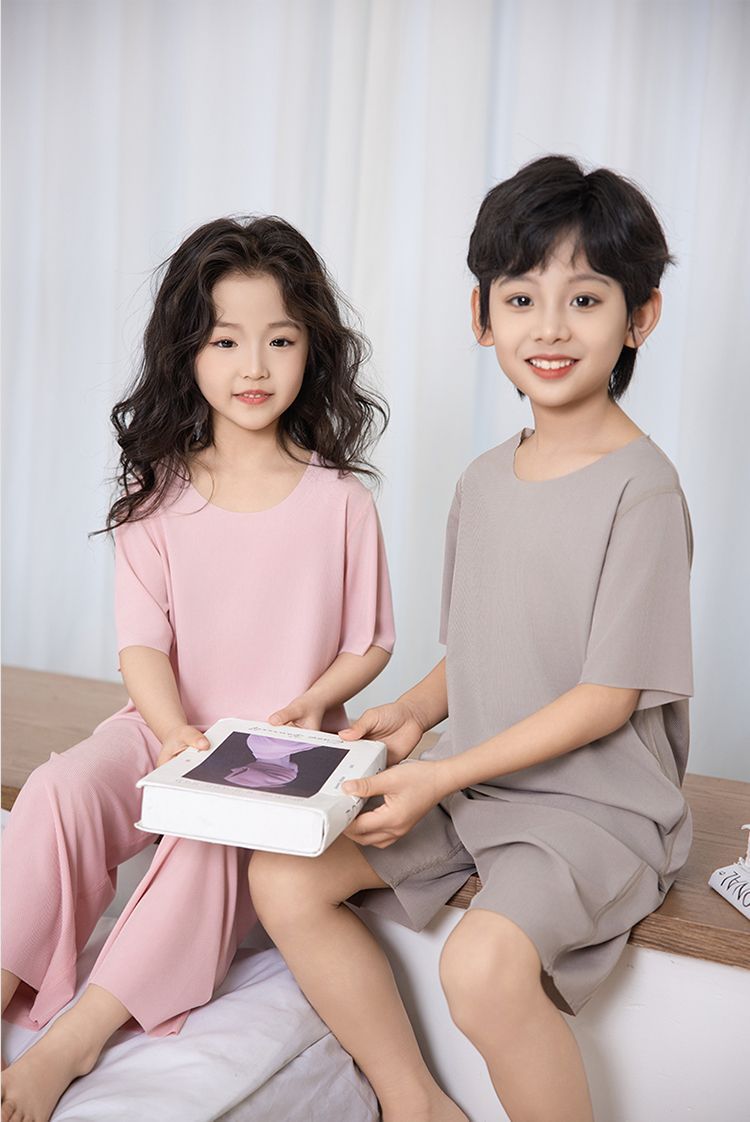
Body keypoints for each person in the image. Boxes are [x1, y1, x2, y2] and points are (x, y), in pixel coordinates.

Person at [247, 156, 694, 1122]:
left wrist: (440, 773)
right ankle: (414, 1101)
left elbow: (606, 697)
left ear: (640, 318)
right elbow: (487, 650)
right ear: (482, 317)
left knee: (480, 968)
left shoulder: (643, 491)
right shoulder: (484, 480)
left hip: (593, 810)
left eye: (585, 299)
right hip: (481, 786)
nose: (550, 327)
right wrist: (411, 714)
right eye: (521, 298)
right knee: (281, 874)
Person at [1, 216, 396, 1122]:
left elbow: (371, 642)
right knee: (59, 791)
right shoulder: (155, 496)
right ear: (187, 351)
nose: (254, 366)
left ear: (312, 351)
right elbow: (141, 645)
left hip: (276, 754)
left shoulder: (341, 502)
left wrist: (314, 702)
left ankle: (74, 1040)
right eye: (226, 341)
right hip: (164, 725)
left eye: (280, 340)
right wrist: (174, 729)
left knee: (210, 830)